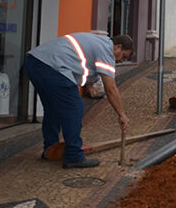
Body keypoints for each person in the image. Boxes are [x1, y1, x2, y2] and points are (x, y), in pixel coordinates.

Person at [25, 33, 134, 168]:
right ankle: (73, 155)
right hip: (52, 67)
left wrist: (90, 84)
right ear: (118, 47)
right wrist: (121, 114)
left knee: (52, 108)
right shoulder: (107, 50)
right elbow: (110, 88)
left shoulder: (99, 43)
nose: (121, 61)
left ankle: (50, 150)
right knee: (74, 108)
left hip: (34, 62)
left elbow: (81, 63)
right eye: (123, 56)